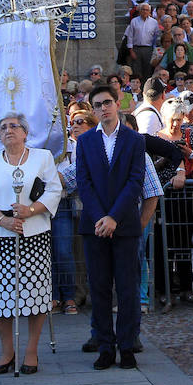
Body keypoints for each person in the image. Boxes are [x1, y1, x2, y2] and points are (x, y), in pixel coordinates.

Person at [0, 112, 62, 375]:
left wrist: (31, 210)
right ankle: (6, 351)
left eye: (14, 126)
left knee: (35, 294)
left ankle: (31, 351)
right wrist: (2, 220)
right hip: (1, 235)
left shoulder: (42, 157)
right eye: (3, 127)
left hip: (34, 233)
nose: (8, 130)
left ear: (25, 132)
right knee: (1, 298)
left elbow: (54, 189)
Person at [75, 84, 146, 370]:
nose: (103, 108)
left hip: (125, 224)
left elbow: (135, 181)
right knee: (99, 288)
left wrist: (114, 217)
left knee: (128, 289)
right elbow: (84, 182)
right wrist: (100, 218)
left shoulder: (134, 140)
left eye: (107, 102)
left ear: (118, 104)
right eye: (97, 104)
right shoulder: (85, 142)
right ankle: (105, 346)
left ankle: (127, 346)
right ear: (93, 109)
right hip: (95, 226)